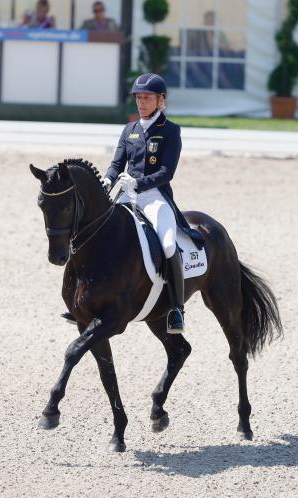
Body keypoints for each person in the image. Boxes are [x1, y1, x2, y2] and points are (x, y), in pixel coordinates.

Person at [61, 74, 193, 334]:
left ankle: (177, 309)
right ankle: (81, 301)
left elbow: (167, 172)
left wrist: (139, 183)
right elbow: (115, 165)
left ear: (160, 100)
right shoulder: (129, 130)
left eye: (147, 98)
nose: (141, 103)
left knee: (167, 245)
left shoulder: (170, 131)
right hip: (125, 195)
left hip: (154, 197)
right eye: (138, 98)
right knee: (93, 233)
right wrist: (107, 182)